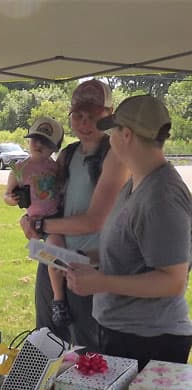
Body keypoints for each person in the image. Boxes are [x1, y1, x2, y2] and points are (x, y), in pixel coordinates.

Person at [66, 95, 192, 369]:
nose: (108, 138)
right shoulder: (136, 182)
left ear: (126, 135)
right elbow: (131, 249)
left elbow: (172, 281)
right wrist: (84, 257)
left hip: (151, 341)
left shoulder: (162, 196)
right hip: (123, 333)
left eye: (111, 131)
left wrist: (102, 282)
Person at [21, 79, 130, 350]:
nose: (85, 122)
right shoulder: (68, 154)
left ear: (110, 114)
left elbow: (95, 220)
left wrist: (41, 223)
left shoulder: (115, 155)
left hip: (90, 268)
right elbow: (46, 199)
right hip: (53, 262)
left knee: (85, 355)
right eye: (78, 115)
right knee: (45, 345)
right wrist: (27, 213)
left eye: (93, 116)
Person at [4, 117, 71, 327]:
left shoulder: (56, 167)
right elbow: (6, 195)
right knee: (48, 253)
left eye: (46, 142)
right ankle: (57, 300)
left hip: (53, 218)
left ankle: (58, 299)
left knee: (53, 251)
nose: (39, 145)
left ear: (55, 148)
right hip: (33, 219)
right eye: (35, 139)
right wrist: (11, 199)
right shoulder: (19, 168)